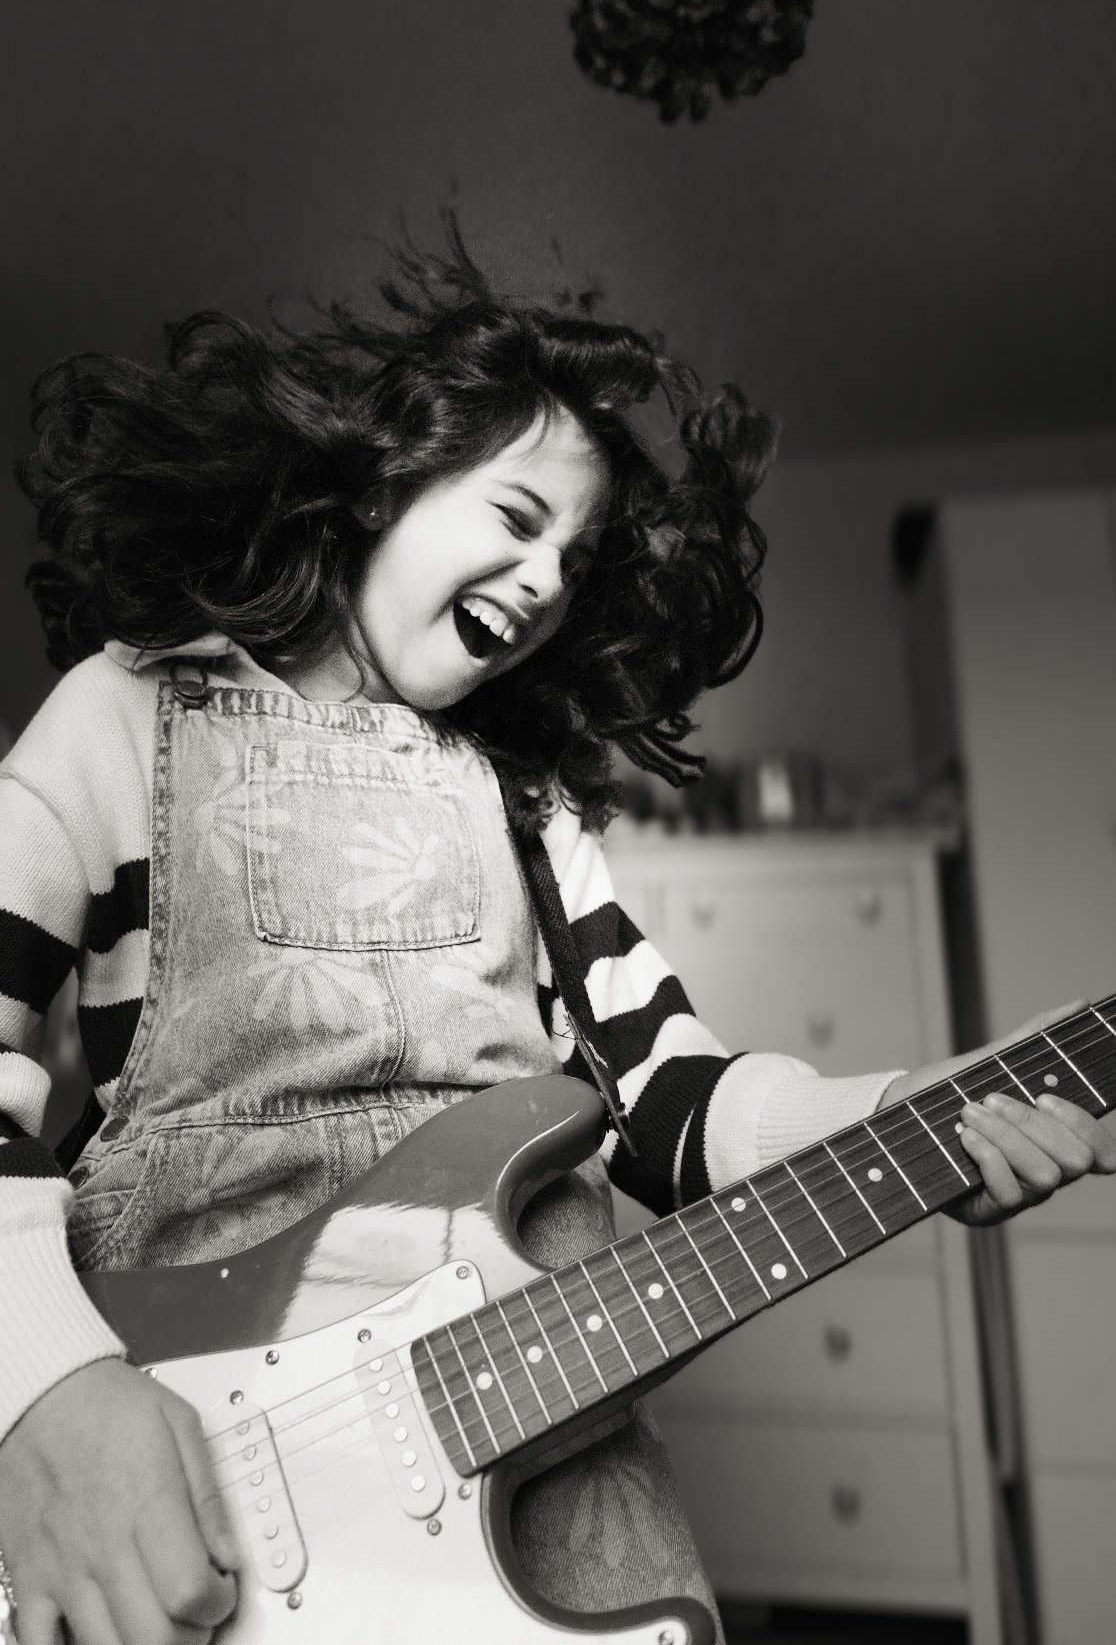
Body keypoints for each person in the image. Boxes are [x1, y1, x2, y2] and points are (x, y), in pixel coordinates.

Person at [0, 223, 1112, 1645]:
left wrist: (916, 1111)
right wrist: (43, 1383)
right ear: (381, 478)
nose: (541, 581)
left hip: (554, 1450)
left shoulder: (526, 812)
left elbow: (678, 1101)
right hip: (183, 1462)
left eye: (571, 563)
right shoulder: (126, 715)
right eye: (517, 518)